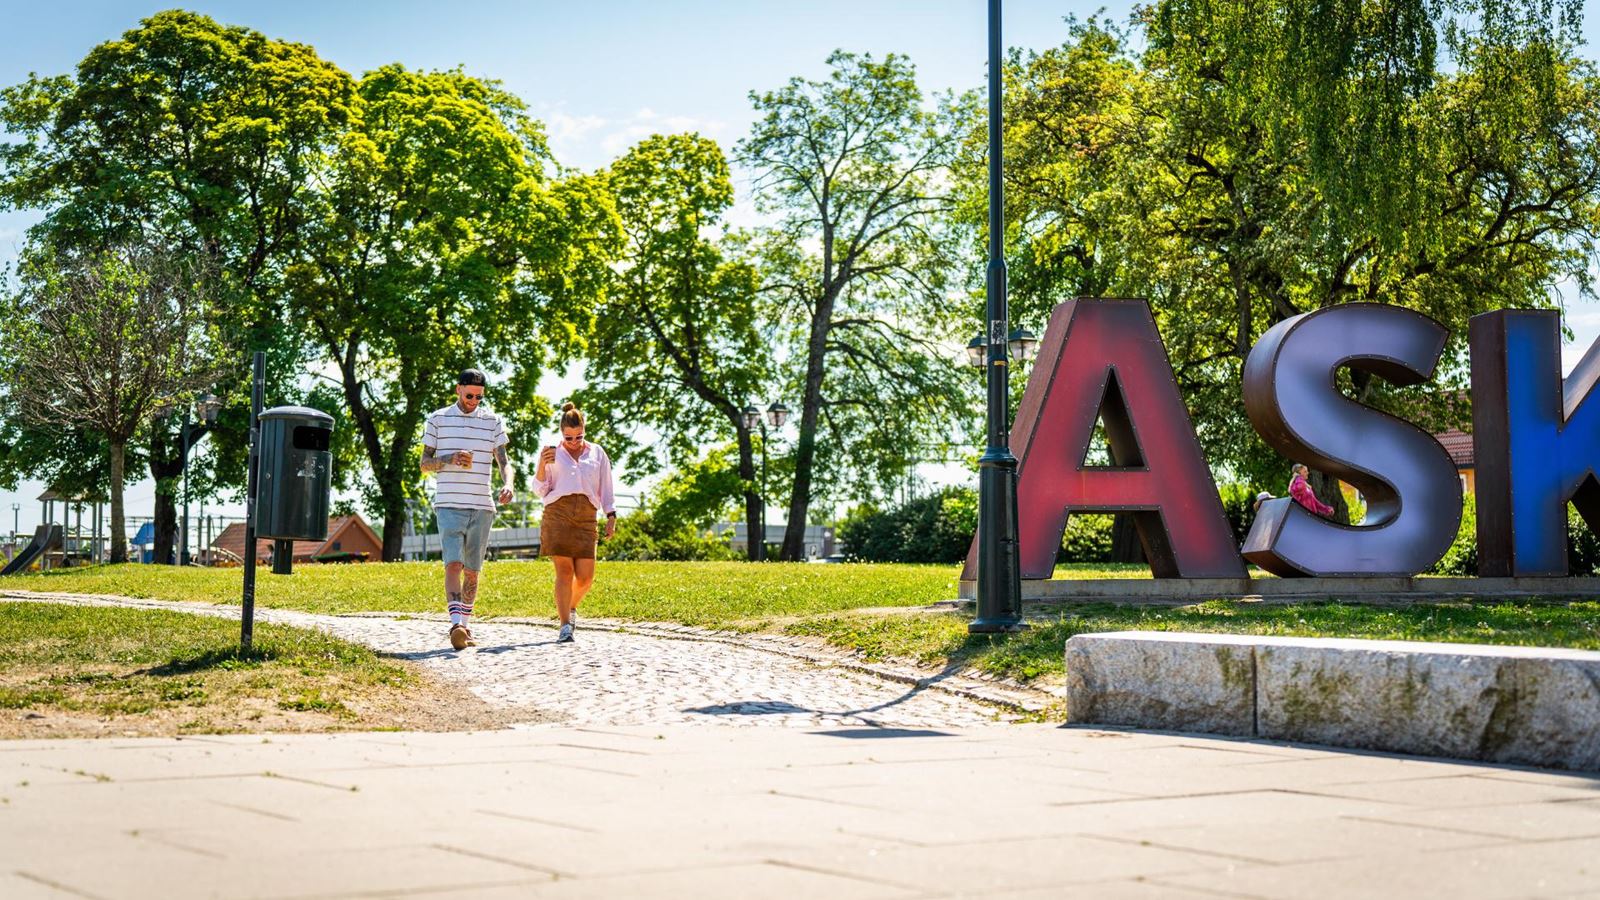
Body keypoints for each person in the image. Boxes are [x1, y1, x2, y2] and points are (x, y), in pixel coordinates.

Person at [420, 369, 512, 650]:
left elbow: (504, 460)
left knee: (472, 571)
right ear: (458, 389)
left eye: (479, 396)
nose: (474, 401)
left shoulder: (493, 422)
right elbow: (425, 463)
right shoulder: (437, 419)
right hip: (448, 503)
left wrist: (508, 483)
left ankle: (466, 626)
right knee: (453, 564)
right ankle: (456, 624)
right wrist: (448, 458)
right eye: (470, 394)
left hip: (482, 505)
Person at [534, 402, 616, 644]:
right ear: (562, 433)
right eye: (568, 438)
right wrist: (541, 465)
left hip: (586, 517)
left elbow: (606, 487)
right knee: (565, 571)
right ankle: (564, 626)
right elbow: (540, 490)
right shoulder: (552, 452)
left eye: (578, 436)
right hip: (557, 514)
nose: (574, 442)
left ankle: (569, 608)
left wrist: (611, 515)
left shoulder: (597, 453)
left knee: (586, 577)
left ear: (584, 430)